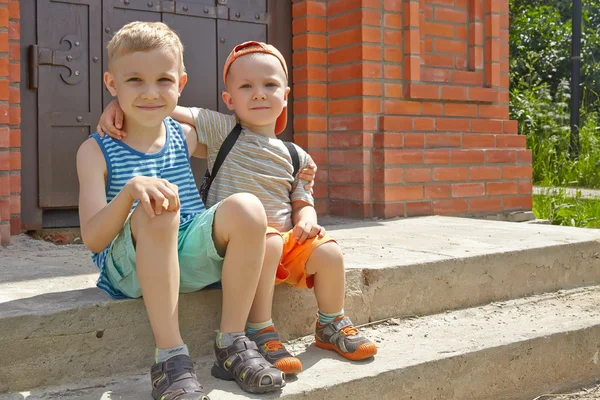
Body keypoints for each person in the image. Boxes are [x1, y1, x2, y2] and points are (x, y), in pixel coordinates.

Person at [98, 40, 378, 377]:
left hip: (285, 240)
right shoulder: (222, 130)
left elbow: (302, 201)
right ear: (229, 100)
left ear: (286, 95)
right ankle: (260, 327)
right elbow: (163, 107)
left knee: (330, 253)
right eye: (246, 87)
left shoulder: (297, 156)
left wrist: (308, 221)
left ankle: (330, 322)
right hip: (247, 240)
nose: (259, 94)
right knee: (268, 240)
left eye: (270, 85)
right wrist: (116, 105)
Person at [78, 22, 292, 400]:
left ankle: (231, 343)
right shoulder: (95, 150)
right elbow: (93, 238)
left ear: (181, 82)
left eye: (163, 79)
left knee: (247, 207)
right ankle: (171, 358)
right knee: (157, 206)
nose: (150, 92)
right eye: (134, 81)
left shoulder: (187, 134)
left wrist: (299, 172)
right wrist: (130, 193)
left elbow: (249, 126)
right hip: (129, 267)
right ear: (112, 84)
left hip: (189, 253)